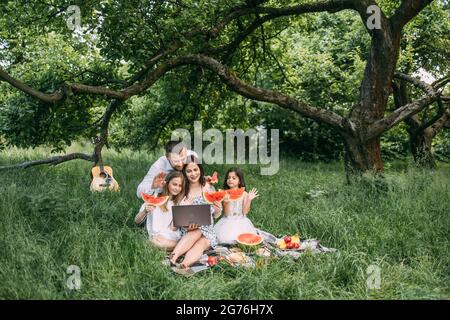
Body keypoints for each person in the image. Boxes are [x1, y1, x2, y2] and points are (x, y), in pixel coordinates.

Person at [169, 155, 222, 268]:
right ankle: (172, 258)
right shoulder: (182, 190)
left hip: (208, 230)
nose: (193, 174)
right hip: (188, 230)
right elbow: (178, 217)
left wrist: (218, 209)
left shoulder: (209, 187)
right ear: (184, 173)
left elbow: (216, 215)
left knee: (203, 241)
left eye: (195, 170)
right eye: (189, 171)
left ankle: (183, 265)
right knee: (196, 231)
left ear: (200, 170)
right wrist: (186, 224)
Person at [135, 140, 198, 225]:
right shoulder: (158, 167)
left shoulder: (192, 156)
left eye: (183, 159)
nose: (180, 164)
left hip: (184, 197)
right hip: (165, 201)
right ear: (167, 157)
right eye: (176, 161)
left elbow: (197, 173)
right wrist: (153, 186)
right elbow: (139, 192)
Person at [136, 171, 185, 250]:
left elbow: (174, 229)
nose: (177, 188)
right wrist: (145, 211)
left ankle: (178, 245)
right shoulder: (154, 197)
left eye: (180, 186)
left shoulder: (179, 202)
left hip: (171, 235)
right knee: (154, 241)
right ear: (167, 183)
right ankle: (180, 246)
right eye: (174, 184)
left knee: (153, 242)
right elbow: (137, 221)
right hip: (156, 236)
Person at [214, 167, 259, 244]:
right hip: (227, 221)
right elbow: (227, 214)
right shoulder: (224, 193)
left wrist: (249, 199)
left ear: (239, 181)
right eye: (228, 178)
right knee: (225, 239)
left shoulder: (244, 194)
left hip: (242, 221)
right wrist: (226, 202)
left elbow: (245, 212)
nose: (230, 179)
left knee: (244, 240)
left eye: (234, 178)